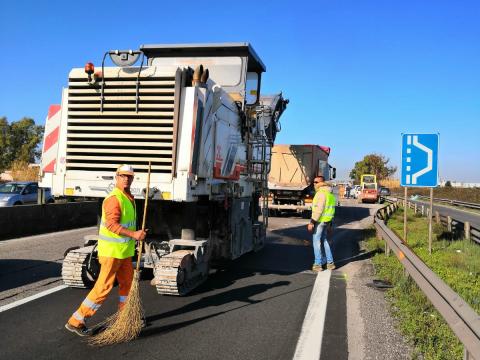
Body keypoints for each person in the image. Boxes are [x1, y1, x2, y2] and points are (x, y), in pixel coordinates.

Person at [65, 164, 147, 336]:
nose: (126, 179)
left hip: (123, 252)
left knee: (128, 284)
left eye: (129, 176)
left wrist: (136, 236)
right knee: (103, 287)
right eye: (123, 176)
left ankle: (126, 316)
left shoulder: (128, 197)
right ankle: (77, 320)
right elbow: (111, 225)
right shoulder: (114, 198)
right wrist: (134, 234)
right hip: (111, 252)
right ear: (116, 177)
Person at [307, 176, 336, 272]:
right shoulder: (330, 194)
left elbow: (319, 210)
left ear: (321, 183)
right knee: (325, 240)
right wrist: (330, 223)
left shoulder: (321, 194)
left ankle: (318, 264)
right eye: (313, 182)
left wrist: (312, 222)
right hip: (327, 221)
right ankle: (330, 263)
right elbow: (331, 210)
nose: (314, 184)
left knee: (316, 241)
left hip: (320, 221)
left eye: (316, 182)